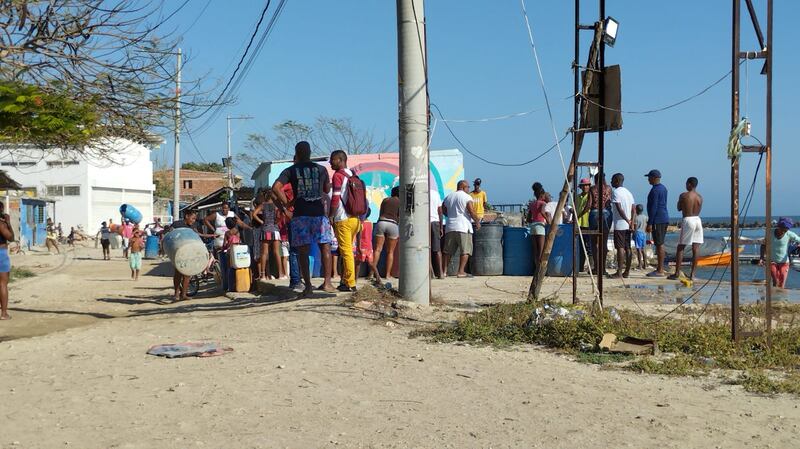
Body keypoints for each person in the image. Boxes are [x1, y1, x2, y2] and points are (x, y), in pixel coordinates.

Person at [272, 141, 335, 297]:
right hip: (319, 214)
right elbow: (327, 189)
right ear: (309, 152)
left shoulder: (291, 170)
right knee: (325, 247)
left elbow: (275, 188)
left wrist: (286, 205)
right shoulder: (321, 169)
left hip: (300, 215)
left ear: (297, 153)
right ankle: (327, 283)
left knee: (303, 252)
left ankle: (307, 286)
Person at [329, 150, 362, 292]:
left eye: (333, 159)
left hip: (343, 219)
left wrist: (330, 214)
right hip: (355, 219)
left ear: (340, 159)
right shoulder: (352, 175)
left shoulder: (338, 176)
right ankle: (345, 280)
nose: (330, 162)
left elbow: (335, 198)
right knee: (347, 251)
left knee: (346, 252)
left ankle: (350, 284)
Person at [170, 210, 213, 301]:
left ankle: (184, 294)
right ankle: (176, 294)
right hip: (179, 252)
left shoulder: (193, 226)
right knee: (178, 273)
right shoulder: (177, 224)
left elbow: (198, 235)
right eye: (192, 218)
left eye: (195, 219)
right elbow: (170, 235)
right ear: (186, 216)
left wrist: (210, 235)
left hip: (190, 252)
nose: (194, 221)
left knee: (187, 274)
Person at [442, 180, 481, 278]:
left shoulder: (449, 197)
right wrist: (477, 221)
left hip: (450, 226)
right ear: (463, 187)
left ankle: (444, 272)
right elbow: (471, 211)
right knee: (465, 250)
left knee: (447, 251)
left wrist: (450, 215)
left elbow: (443, 209)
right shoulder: (467, 197)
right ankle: (461, 272)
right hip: (463, 226)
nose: (469, 189)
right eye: (468, 187)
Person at [671, 177, 704, 281]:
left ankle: (676, 273)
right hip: (698, 220)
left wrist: (680, 201)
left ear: (689, 184)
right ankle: (693, 275)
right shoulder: (700, 197)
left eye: (686, 183)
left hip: (688, 219)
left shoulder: (684, 195)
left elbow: (678, 208)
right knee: (696, 248)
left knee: (680, 247)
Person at [582, 174, 612, 275]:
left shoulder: (592, 188)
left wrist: (579, 214)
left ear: (595, 179)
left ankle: (596, 267)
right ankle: (602, 268)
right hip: (606, 214)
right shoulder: (608, 188)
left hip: (594, 213)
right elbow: (609, 202)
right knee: (604, 242)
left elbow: (589, 204)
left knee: (594, 243)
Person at [370, 186, 400, 285]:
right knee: (390, 252)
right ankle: (387, 275)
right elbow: (400, 217)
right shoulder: (400, 202)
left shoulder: (385, 200)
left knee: (377, 249)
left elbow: (380, 213)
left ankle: (372, 273)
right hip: (393, 224)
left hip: (382, 222)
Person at [760, 217, 800, 289]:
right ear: (779, 226)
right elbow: (763, 245)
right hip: (772, 261)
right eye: (782, 229)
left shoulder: (789, 234)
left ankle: (781, 299)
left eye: (786, 230)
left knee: (781, 284)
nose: (784, 231)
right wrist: (761, 258)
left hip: (784, 262)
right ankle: (775, 298)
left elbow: (798, 239)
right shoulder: (770, 233)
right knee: (775, 281)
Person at [253, 189, 283, 281]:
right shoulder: (276, 206)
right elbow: (281, 215)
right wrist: (277, 222)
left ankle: (262, 275)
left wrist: (262, 221)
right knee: (276, 252)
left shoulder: (262, 205)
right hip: (275, 230)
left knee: (264, 253)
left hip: (265, 230)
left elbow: (254, 214)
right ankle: (281, 274)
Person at [610, 173, 635, 278]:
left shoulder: (616, 192)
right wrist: (632, 222)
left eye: (612, 180)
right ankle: (627, 271)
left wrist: (626, 220)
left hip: (620, 224)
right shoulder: (629, 193)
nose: (611, 182)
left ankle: (619, 271)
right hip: (628, 225)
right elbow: (634, 209)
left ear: (616, 181)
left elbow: (619, 208)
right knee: (628, 247)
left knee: (620, 247)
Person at [645, 169, 669, 277]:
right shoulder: (663, 188)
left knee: (659, 244)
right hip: (664, 217)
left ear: (654, 178)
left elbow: (654, 207)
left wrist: (650, 223)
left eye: (649, 177)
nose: (648, 179)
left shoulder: (655, 190)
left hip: (658, 219)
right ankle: (660, 268)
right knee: (660, 243)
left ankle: (660, 269)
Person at [527, 187, 550, 270]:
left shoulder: (532, 204)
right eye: (544, 195)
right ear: (541, 195)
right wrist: (548, 221)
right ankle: (540, 269)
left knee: (535, 250)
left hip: (532, 226)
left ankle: (536, 267)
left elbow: (528, 219)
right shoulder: (543, 203)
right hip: (540, 226)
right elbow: (542, 212)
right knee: (541, 250)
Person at [0, 201, 15, 320]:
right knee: (3, 283)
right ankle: (4, 313)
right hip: (1, 253)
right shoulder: (1, 224)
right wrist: (8, 223)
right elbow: (10, 237)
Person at [575, 178, 592, 272]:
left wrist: (579, 214)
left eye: (587, 185)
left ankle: (591, 266)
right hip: (579, 224)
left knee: (589, 246)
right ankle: (581, 267)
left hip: (588, 223)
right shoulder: (577, 197)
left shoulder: (590, 196)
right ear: (581, 187)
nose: (585, 187)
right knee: (580, 247)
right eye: (584, 185)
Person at [430, 189, 445, 279]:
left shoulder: (419, 192)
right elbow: (440, 211)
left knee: (426, 249)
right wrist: (441, 227)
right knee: (437, 249)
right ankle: (440, 273)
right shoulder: (435, 194)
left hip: (424, 223)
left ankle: (431, 273)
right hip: (435, 222)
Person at [633, 205, 648, 270]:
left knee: (638, 249)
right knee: (643, 249)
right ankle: (645, 264)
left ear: (636, 210)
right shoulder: (646, 217)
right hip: (644, 233)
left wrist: (634, 234)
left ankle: (640, 265)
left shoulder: (636, 218)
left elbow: (635, 228)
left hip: (638, 233)